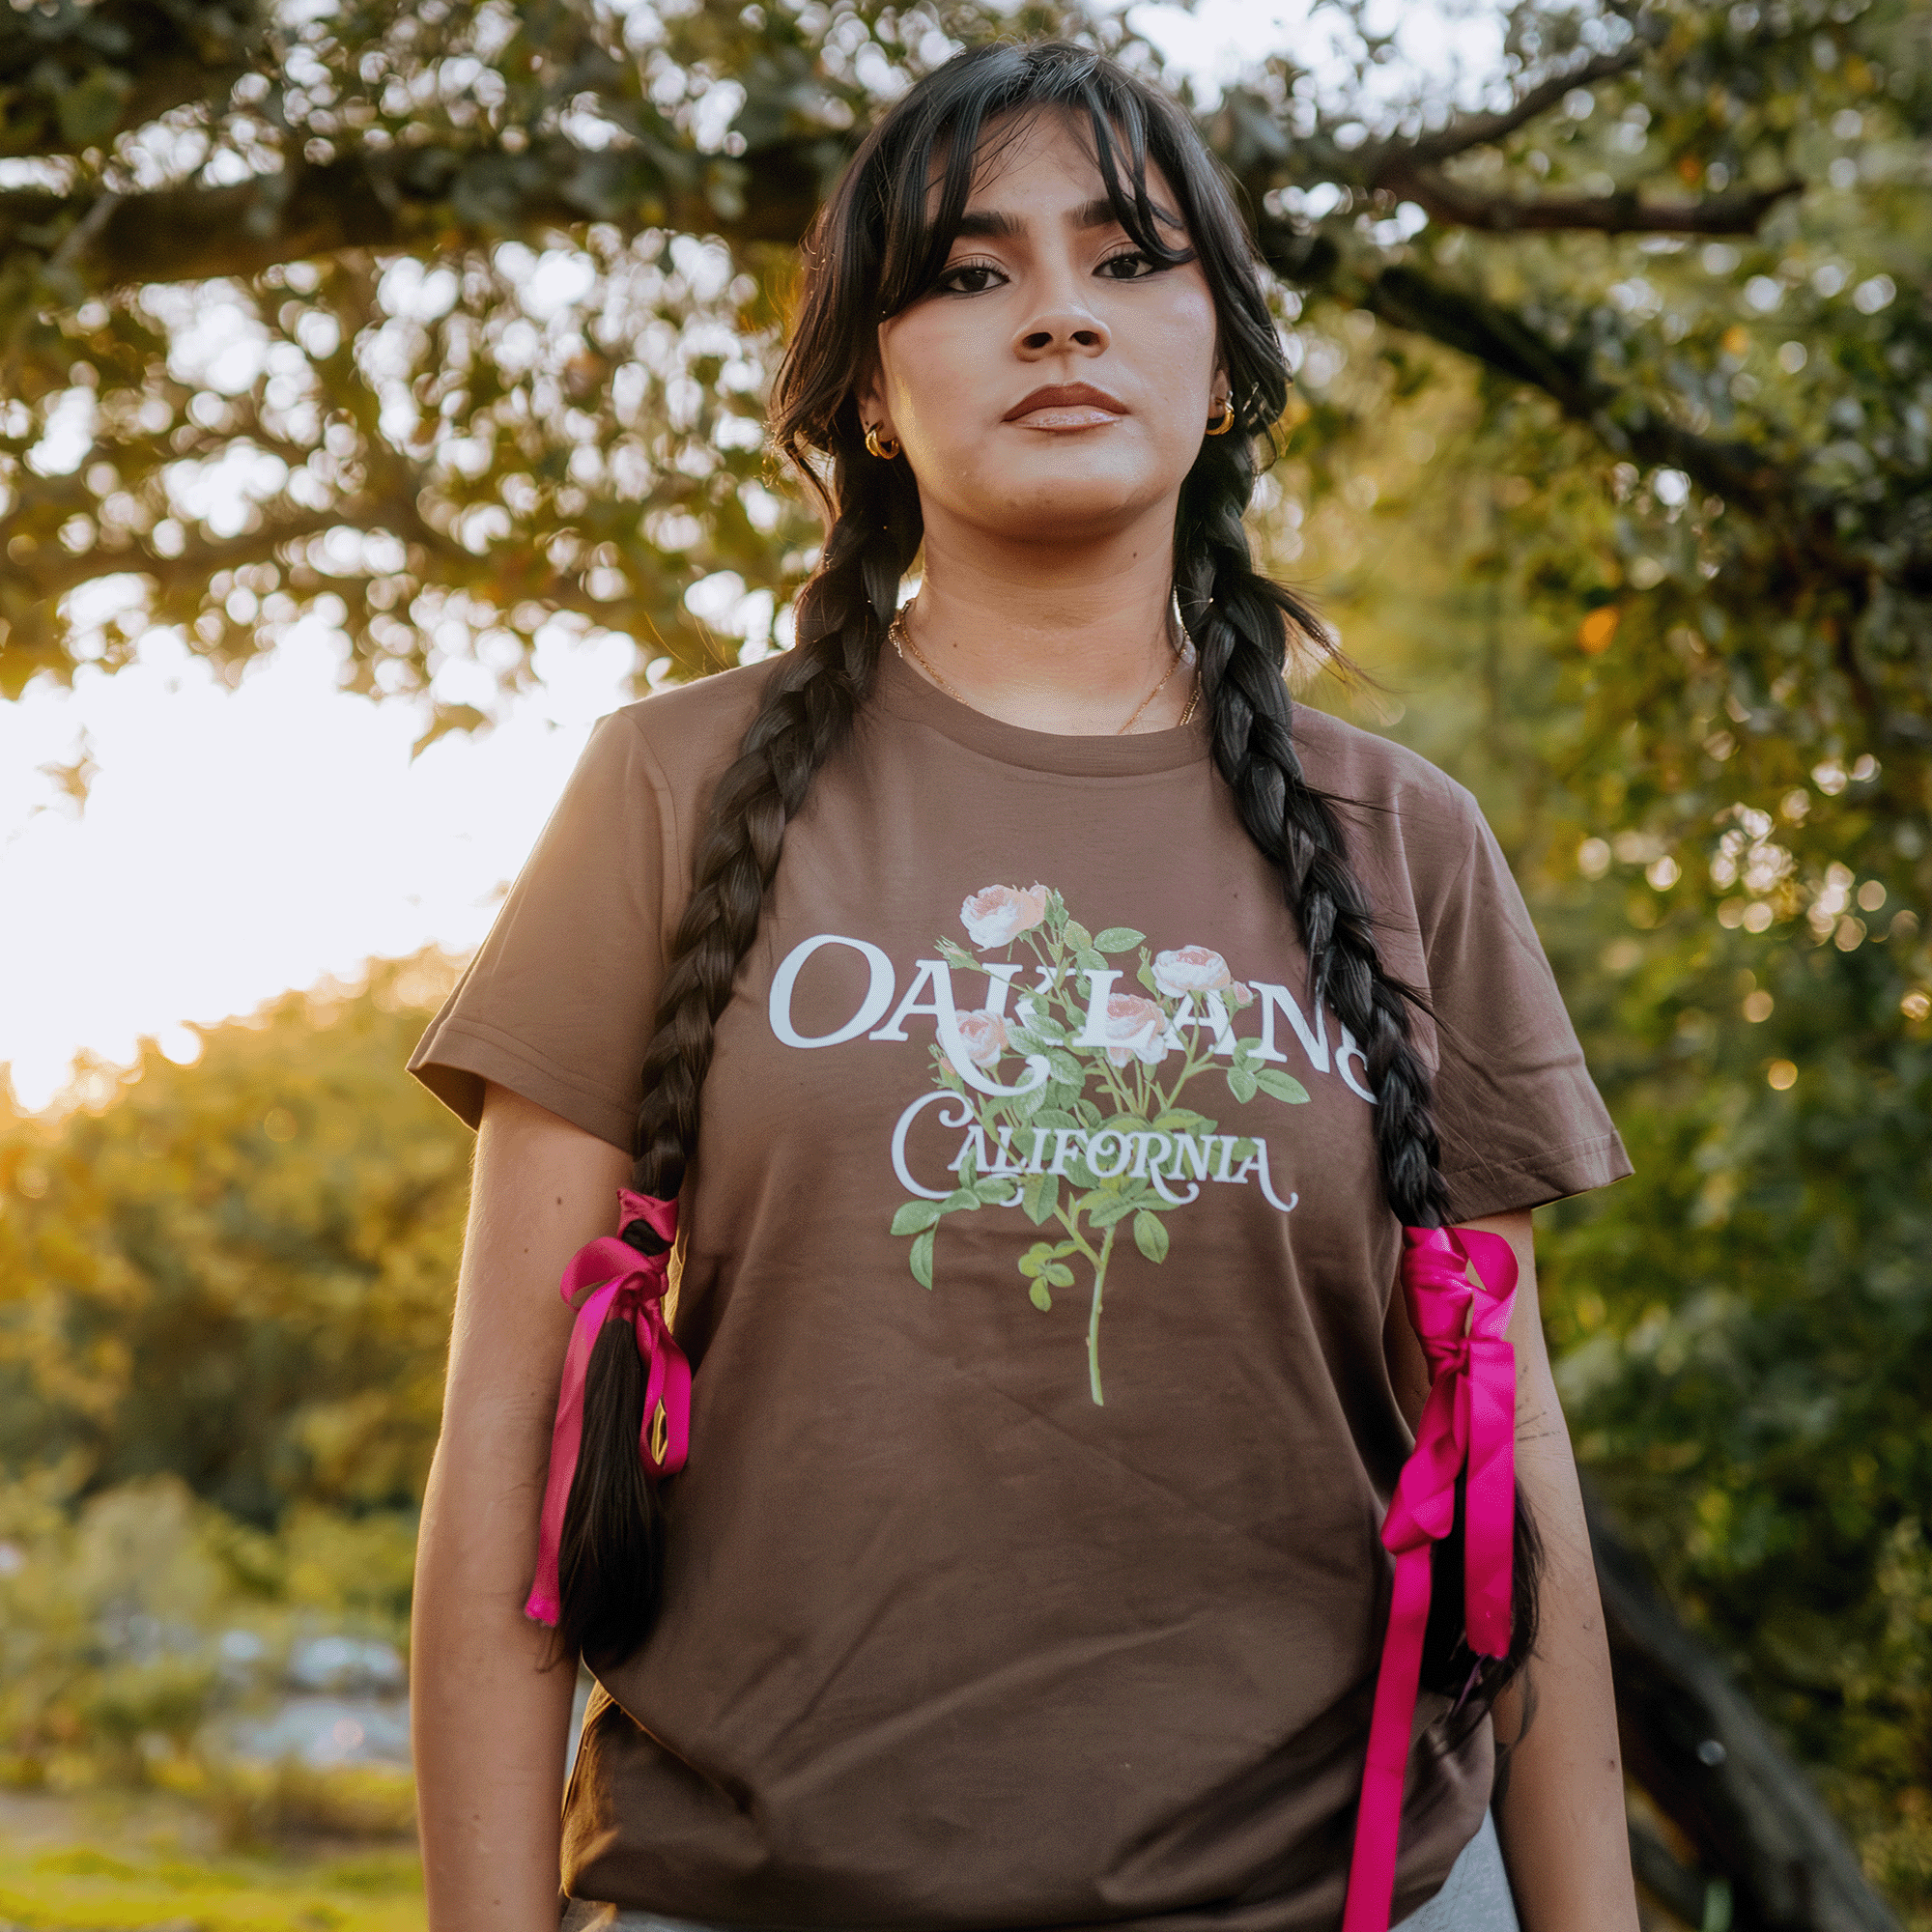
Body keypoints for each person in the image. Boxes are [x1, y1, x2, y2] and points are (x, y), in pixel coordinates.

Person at [406, 39, 1641, 1932]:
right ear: (874, 397)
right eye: (969, 275)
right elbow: (511, 1436)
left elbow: (1510, 1449)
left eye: (1128, 259)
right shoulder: (663, 791)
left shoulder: (1405, 839)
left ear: (1219, 364)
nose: (1057, 316)